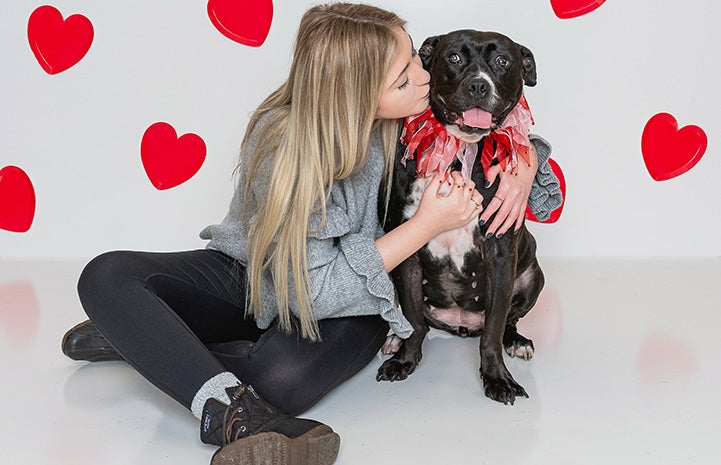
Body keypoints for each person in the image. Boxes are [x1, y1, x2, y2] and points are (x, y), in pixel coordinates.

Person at [61, 3, 561, 465]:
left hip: (356, 298)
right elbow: (310, 295)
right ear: (358, 91)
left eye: (416, 59)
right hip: (257, 277)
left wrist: (526, 157)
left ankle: (150, 338)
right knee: (106, 275)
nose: (426, 77)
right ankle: (231, 410)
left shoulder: (408, 123)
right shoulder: (282, 140)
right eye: (405, 74)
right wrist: (425, 226)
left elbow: (494, 126)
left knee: (279, 381)